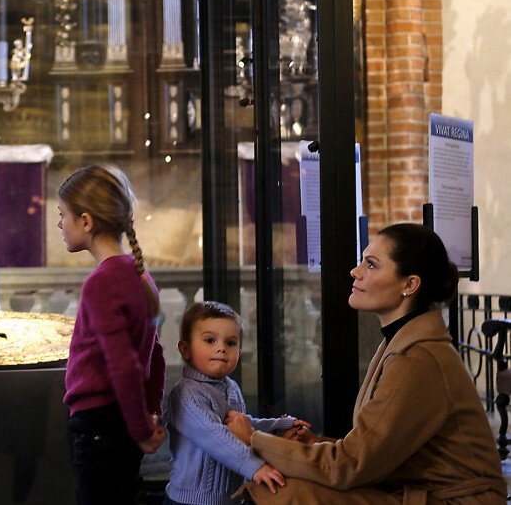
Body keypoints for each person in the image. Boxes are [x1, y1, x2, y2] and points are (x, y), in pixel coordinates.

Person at [228, 223, 507, 504]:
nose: (355, 271)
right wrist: (313, 443)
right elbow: (365, 453)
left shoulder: (418, 358)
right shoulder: (401, 341)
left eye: (371, 265)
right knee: (279, 483)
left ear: (409, 284)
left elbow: (348, 466)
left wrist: (254, 440)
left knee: (279, 490)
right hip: (416, 493)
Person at [58, 164, 166, 504]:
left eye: (63, 215)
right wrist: (150, 413)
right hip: (122, 421)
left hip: (100, 425)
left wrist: (140, 430)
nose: (59, 224)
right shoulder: (140, 275)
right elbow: (155, 356)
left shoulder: (102, 282)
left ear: (86, 221)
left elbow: (124, 364)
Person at [164, 301, 311, 505]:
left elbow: (240, 425)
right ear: (185, 349)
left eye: (230, 343)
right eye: (209, 340)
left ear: (239, 354)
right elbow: (216, 436)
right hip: (192, 501)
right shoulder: (186, 394)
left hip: (230, 498)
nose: (221, 349)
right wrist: (255, 467)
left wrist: (276, 426)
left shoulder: (230, 387)